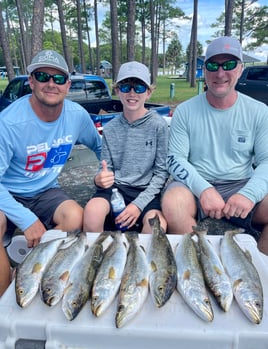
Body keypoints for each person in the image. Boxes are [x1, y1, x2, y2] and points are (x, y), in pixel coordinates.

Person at [0, 50, 102, 295]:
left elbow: (101, 147)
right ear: (31, 81)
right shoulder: (8, 123)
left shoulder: (77, 115)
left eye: (58, 79)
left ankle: (31, 268)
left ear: (67, 85)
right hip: (8, 193)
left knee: (75, 217)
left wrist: (107, 173)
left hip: (45, 190)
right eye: (43, 76)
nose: (50, 84)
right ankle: (4, 301)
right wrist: (26, 220)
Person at [161, 36, 268, 255]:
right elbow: (175, 159)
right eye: (213, 65)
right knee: (173, 203)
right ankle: (200, 266)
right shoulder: (185, 111)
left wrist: (249, 194)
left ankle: (259, 271)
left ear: (239, 69)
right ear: (204, 70)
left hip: (241, 182)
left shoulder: (259, 112)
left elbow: (266, 161)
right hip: (196, 183)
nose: (220, 73)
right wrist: (204, 189)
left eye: (228, 65)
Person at [83, 61, 169, 234]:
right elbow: (106, 169)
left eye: (139, 88)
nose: (132, 93)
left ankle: (142, 260)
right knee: (92, 212)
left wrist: (137, 205)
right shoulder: (110, 129)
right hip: (116, 189)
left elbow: (161, 173)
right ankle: (98, 257)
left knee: (157, 226)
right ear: (117, 90)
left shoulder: (159, 126)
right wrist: (99, 179)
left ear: (149, 92)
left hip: (146, 191)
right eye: (125, 87)